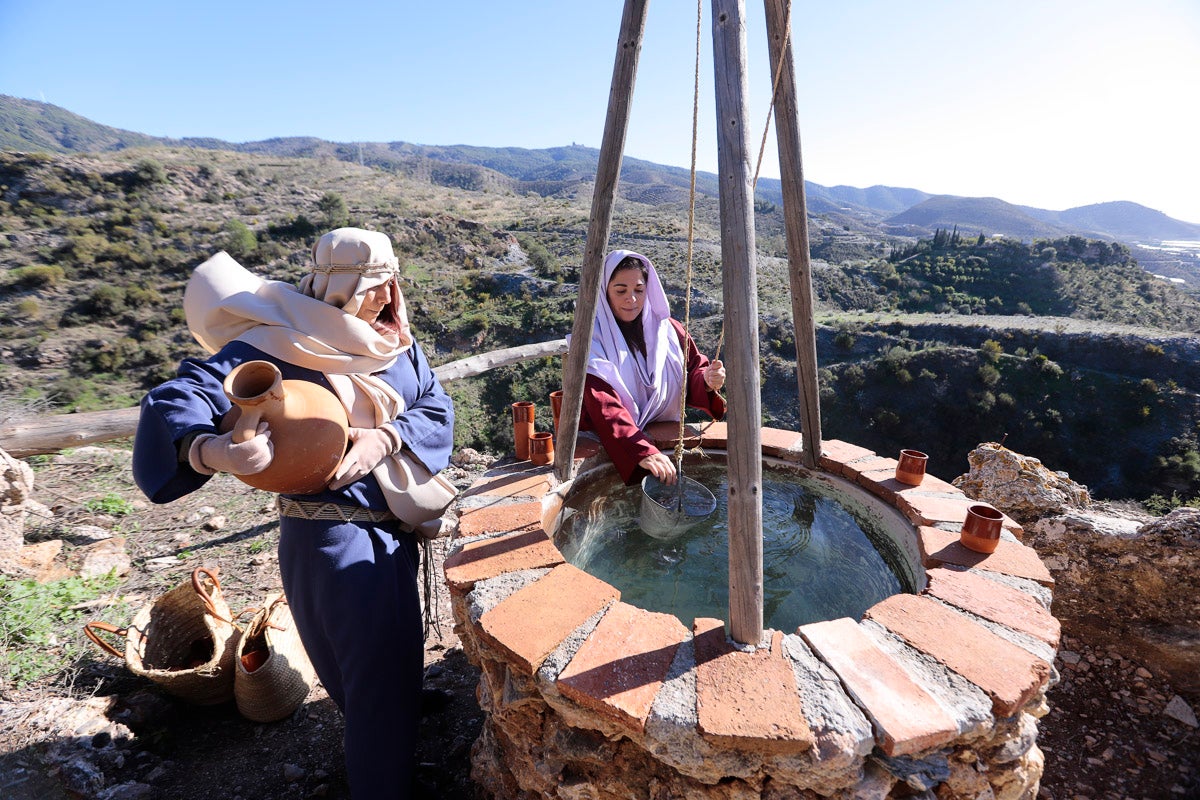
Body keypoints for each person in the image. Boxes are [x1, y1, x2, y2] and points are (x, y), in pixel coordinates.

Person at [132, 227, 454, 799]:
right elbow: (180, 396)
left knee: (385, 659)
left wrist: (389, 437)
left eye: (390, 283)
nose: (387, 297)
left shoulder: (393, 341)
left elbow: (434, 402)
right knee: (369, 678)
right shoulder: (278, 343)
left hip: (394, 530)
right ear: (338, 286)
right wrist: (211, 449)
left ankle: (393, 723)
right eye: (374, 286)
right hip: (333, 539)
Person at [578, 249, 726, 485]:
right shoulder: (592, 340)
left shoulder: (669, 330)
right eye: (620, 291)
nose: (631, 299)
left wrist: (707, 380)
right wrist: (640, 449)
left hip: (659, 433)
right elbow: (602, 402)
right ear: (605, 291)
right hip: (612, 440)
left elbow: (692, 372)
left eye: (639, 290)